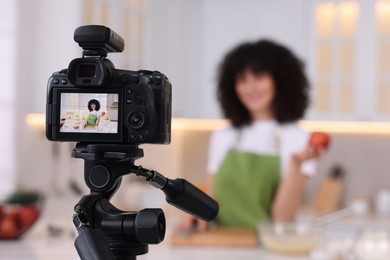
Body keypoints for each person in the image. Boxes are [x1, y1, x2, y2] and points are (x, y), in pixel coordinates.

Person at [181, 39, 324, 231]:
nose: (250, 88)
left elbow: (282, 219)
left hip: (268, 247)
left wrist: (297, 165)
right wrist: (197, 214)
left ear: (280, 80)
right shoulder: (224, 135)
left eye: (259, 76)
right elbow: (213, 198)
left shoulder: (299, 139)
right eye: (242, 79)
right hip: (223, 243)